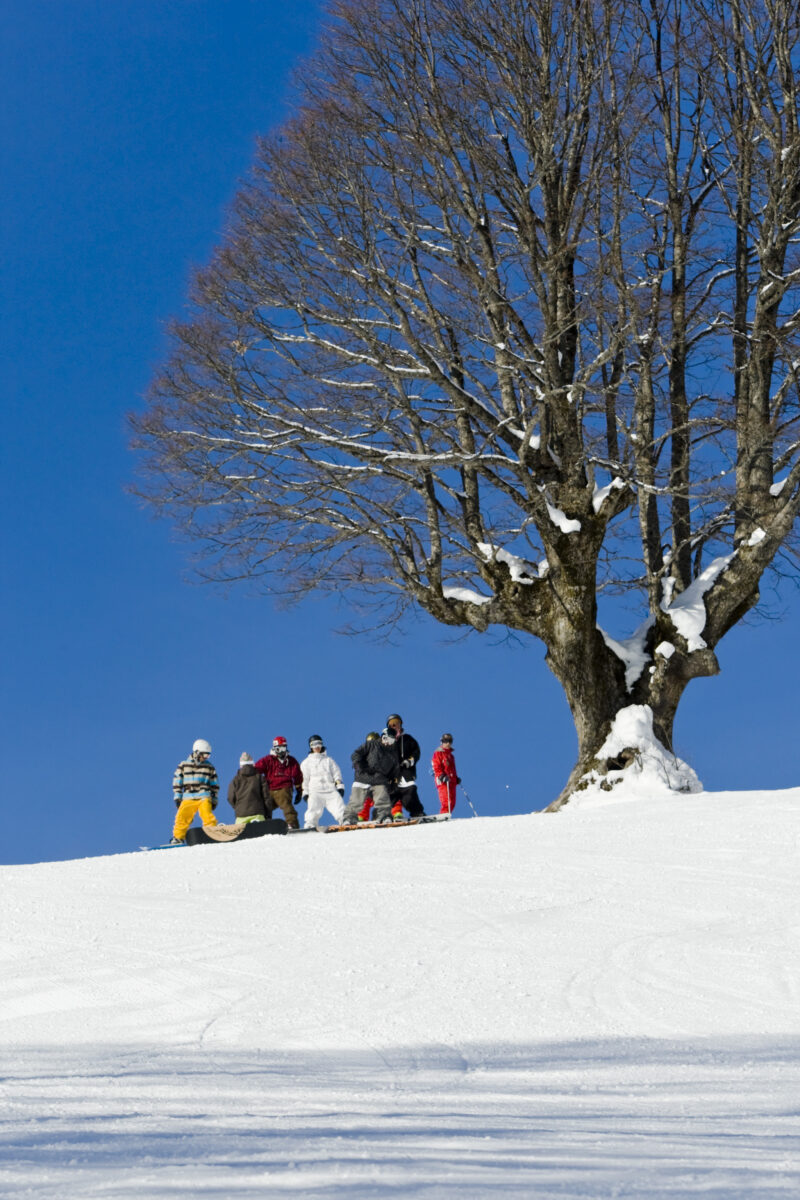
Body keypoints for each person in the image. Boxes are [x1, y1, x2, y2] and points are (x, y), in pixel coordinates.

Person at [342, 729, 398, 825]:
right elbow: (356, 753)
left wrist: (393, 782)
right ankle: (349, 818)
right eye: (385, 738)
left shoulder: (392, 754)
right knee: (356, 800)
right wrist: (357, 764)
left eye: (390, 740)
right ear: (382, 737)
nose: (387, 742)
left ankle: (384, 816)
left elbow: (395, 770)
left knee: (382, 798)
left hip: (379, 779)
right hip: (363, 776)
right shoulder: (371, 744)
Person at [171, 738, 219, 843]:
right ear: (197, 752)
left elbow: (214, 784)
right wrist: (178, 797)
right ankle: (178, 837)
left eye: (208, 755)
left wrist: (214, 799)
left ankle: (211, 831)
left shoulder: (209, 766)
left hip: (204, 795)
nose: (206, 757)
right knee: (182, 816)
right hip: (188, 796)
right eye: (205, 755)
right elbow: (177, 781)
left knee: (206, 814)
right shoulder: (183, 765)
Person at [254, 736, 303, 830]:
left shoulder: (291, 761)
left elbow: (297, 775)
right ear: (274, 748)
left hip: (284, 788)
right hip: (270, 789)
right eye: (278, 748)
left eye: (283, 748)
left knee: (286, 805)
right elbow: (257, 768)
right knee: (265, 808)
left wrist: (299, 790)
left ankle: (292, 824)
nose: (281, 751)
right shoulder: (268, 760)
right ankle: (265, 824)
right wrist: (250, 771)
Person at [300, 734, 346, 829]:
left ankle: (344, 820)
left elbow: (336, 774)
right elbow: (304, 779)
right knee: (313, 808)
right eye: (314, 744)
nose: (317, 747)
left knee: (338, 805)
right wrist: (305, 792)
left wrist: (339, 786)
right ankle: (311, 824)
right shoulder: (306, 763)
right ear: (310, 746)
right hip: (315, 790)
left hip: (330, 789)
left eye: (319, 744)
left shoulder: (329, 760)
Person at [385, 712, 425, 819]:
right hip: (391, 775)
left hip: (405, 772)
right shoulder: (385, 741)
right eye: (391, 724)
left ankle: (417, 812)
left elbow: (416, 752)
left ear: (400, 725)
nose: (394, 725)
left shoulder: (407, 739)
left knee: (410, 792)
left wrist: (410, 761)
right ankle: (385, 816)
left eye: (396, 723)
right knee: (388, 795)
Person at [227, 752, 270, 825]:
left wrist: (238, 807)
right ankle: (256, 823)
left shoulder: (235, 780)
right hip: (258, 813)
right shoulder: (259, 778)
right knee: (260, 827)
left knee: (240, 831)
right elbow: (266, 797)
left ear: (240, 765)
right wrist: (268, 815)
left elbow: (230, 797)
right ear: (253, 764)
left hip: (241, 815)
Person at [432, 732, 460, 815]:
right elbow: (436, 765)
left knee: (452, 803)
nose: (448, 743)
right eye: (445, 741)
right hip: (443, 780)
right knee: (446, 801)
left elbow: (452, 769)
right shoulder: (438, 752)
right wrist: (441, 775)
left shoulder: (451, 756)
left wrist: (456, 778)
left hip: (451, 781)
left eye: (450, 741)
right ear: (442, 742)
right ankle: (443, 815)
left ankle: (446, 816)